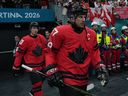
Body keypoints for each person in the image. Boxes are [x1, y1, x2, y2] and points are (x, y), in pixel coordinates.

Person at [45, 4, 109, 96]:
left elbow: (94, 52)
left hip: (84, 79)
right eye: (80, 17)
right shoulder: (59, 31)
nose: (83, 20)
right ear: (72, 18)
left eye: (84, 17)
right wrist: (51, 69)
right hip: (67, 80)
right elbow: (50, 52)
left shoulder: (92, 34)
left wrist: (99, 66)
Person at [12, 22, 47, 96]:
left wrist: (47, 63)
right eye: (34, 28)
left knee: (40, 82)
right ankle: (35, 92)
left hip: (42, 66)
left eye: (37, 28)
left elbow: (46, 51)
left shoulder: (42, 37)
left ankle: (32, 92)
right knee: (37, 86)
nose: (36, 30)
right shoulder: (25, 39)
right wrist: (16, 66)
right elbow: (19, 54)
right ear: (30, 29)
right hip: (32, 68)